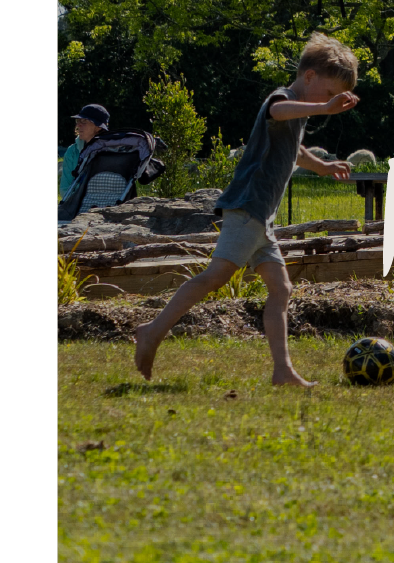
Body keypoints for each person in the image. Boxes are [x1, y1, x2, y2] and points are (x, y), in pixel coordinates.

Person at [133, 33, 361, 385]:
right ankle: (153, 331)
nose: (329, 102)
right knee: (215, 277)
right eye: (329, 93)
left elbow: (295, 151)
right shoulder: (284, 99)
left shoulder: (299, 111)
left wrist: (323, 167)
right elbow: (276, 111)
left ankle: (282, 370)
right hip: (248, 206)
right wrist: (322, 108)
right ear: (310, 76)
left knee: (280, 289)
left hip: (261, 216)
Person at [59, 104, 109, 198]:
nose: (78, 125)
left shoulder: (111, 151)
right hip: (75, 206)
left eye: (84, 121)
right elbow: (64, 188)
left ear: (98, 127)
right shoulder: (72, 152)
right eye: (78, 121)